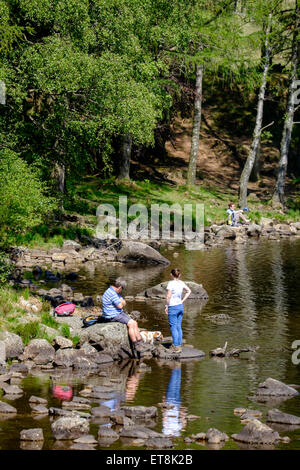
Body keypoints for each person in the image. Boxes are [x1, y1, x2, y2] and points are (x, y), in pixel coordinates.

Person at [101, 277, 143, 351]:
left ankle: (140, 341)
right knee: (131, 324)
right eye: (122, 289)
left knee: (134, 322)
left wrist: (122, 302)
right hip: (112, 315)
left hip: (117, 312)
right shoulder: (112, 293)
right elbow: (120, 305)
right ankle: (135, 343)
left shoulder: (113, 291)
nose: (121, 291)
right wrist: (122, 302)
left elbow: (123, 301)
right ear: (120, 287)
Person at [165, 268, 191, 354]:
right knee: (178, 326)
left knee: (173, 326)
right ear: (179, 275)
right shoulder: (181, 283)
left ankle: (176, 346)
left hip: (172, 307)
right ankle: (179, 344)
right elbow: (189, 291)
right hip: (180, 306)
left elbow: (168, 296)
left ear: (171, 275)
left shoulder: (170, 283)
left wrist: (166, 306)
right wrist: (182, 301)